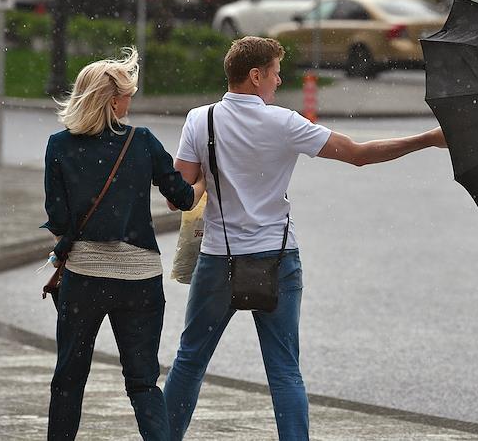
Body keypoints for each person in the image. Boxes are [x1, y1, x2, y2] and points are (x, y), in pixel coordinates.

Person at [162, 36, 447, 440]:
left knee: (189, 361)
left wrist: (207, 179)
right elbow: (359, 154)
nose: (279, 81)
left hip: (218, 260)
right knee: (284, 371)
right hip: (276, 260)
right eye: (276, 73)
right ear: (255, 75)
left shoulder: (200, 120)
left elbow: (180, 199)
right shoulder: (285, 123)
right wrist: (427, 140)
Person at [42, 47, 204, 441]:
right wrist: (205, 185)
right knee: (143, 382)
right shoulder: (141, 141)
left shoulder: (59, 146)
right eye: (127, 93)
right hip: (141, 284)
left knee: (69, 379)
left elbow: (59, 220)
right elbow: (182, 198)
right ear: (113, 101)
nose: (131, 100)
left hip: (84, 282)